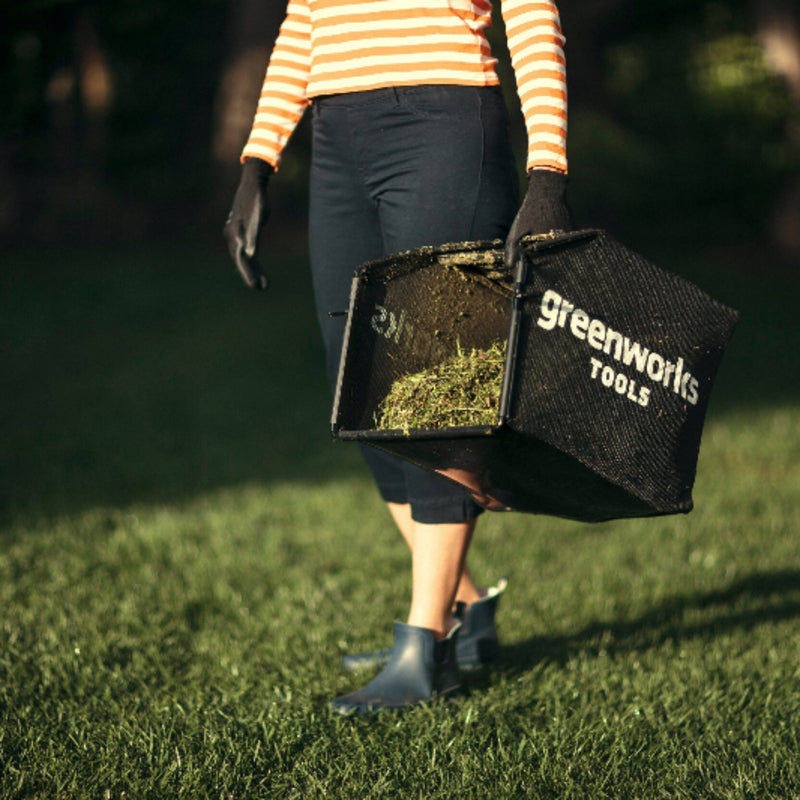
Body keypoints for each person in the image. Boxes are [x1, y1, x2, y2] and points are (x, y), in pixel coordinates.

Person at [223, 0, 572, 715]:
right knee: (354, 380)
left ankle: (423, 645)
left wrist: (548, 175)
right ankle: (465, 608)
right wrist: (258, 161)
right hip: (337, 135)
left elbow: (533, 12)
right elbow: (302, 23)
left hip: (442, 126)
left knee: (434, 386)